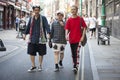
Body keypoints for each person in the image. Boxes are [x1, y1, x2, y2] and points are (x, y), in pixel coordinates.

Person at [23, 6, 50, 72]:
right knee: (31, 52)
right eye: (35, 10)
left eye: (38, 10)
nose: (36, 11)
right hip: (32, 38)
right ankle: (33, 65)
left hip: (41, 38)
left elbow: (47, 26)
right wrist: (24, 33)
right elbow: (28, 26)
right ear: (33, 11)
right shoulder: (31, 18)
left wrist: (48, 33)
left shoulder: (43, 18)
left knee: (41, 53)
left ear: (39, 11)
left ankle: (40, 65)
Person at [65, 5, 87, 72]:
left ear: (77, 10)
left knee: (77, 52)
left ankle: (76, 66)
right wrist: (66, 35)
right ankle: (74, 64)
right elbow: (67, 28)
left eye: (74, 9)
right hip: (72, 39)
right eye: (72, 9)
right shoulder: (69, 19)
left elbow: (85, 27)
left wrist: (82, 37)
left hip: (79, 39)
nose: (73, 10)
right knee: (73, 53)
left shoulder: (80, 19)